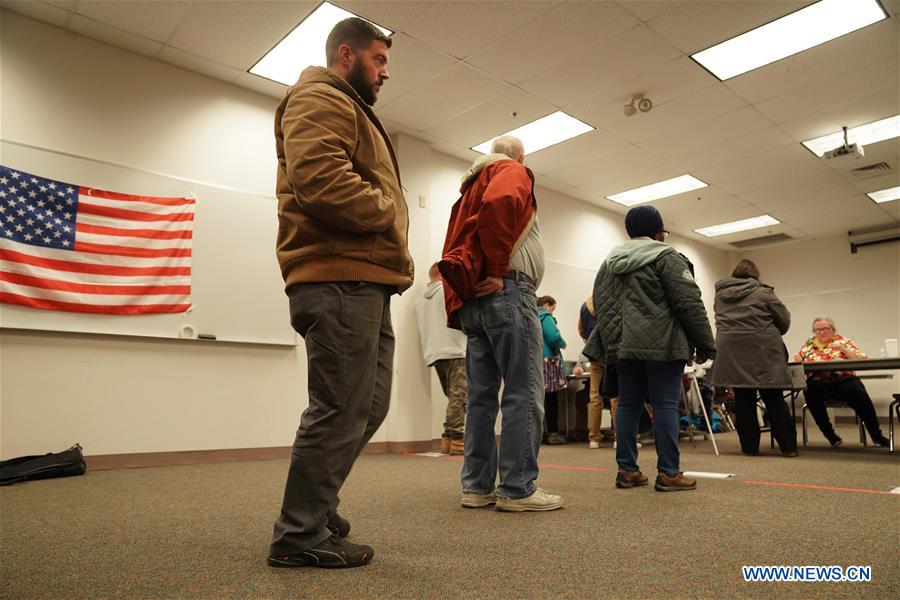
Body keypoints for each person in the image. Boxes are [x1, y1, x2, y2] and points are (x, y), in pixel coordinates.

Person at [268, 18, 413, 569]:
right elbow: (321, 179)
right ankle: (297, 536)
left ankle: (316, 506)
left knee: (367, 409)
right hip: (337, 276)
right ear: (346, 54)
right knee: (338, 409)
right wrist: (389, 212)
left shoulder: (347, 107)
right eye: (378, 60)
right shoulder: (320, 97)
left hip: (363, 279)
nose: (385, 72)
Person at [440, 135, 563, 512]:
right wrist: (496, 269)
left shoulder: (469, 188)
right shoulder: (512, 170)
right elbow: (501, 203)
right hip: (507, 291)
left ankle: (477, 487)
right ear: (522, 156)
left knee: (480, 398)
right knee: (523, 391)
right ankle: (517, 488)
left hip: (476, 302)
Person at [584, 205, 715, 492]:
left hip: (623, 349)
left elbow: (601, 308)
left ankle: (627, 470)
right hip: (663, 346)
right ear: (658, 232)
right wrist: (707, 343)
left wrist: (614, 346)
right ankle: (669, 472)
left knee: (628, 406)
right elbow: (689, 303)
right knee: (665, 405)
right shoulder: (667, 257)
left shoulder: (609, 263)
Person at [709, 259, 798, 456]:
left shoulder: (720, 296)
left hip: (732, 353)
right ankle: (789, 448)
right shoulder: (763, 292)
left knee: (743, 400)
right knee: (773, 398)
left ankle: (749, 448)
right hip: (763, 351)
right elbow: (783, 321)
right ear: (755, 276)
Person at [794, 317, 889, 447]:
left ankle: (876, 436)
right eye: (818, 330)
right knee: (810, 390)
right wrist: (799, 361)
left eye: (825, 329)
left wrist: (844, 350)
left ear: (833, 330)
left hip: (843, 380)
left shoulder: (843, 342)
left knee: (856, 390)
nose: (821, 332)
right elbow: (800, 367)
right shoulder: (808, 345)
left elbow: (861, 360)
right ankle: (831, 436)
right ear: (814, 331)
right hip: (819, 383)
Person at [416, 263, 468, 455]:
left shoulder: (421, 301)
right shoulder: (448, 292)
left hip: (435, 352)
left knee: (453, 395)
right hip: (455, 349)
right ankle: (457, 438)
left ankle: (448, 437)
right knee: (460, 396)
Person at [578, 296, 618, 449]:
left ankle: (594, 438)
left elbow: (581, 330)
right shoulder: (611, 302)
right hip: (612, 353)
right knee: (616, 396)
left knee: (595, 396)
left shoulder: (585, 305)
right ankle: (619, 438)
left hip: (595, 355)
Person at [538, 295, 568, 445]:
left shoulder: (530, 314)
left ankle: (538, 432)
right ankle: (553, 433)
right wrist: (563, 343)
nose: (552, 312)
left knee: (537, 399)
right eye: (553, 309)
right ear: (547, 305)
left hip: (534, 361)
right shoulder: (545, 316)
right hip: (548, 361)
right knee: (551, 399)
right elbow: (553, 336)